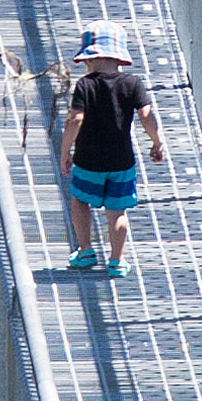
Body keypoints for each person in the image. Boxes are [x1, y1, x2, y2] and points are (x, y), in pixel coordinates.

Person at [58, 19, 167, 279]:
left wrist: (65, 152)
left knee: (80, 200)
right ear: (119, 57)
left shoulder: (85, 85)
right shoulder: (133, 83)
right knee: (117, 212)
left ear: (90, 59)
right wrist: (157, 141)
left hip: (88, 160)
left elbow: (75, 119)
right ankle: (117, 261)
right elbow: (146, 115)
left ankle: (85, 251)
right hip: (121, 162)